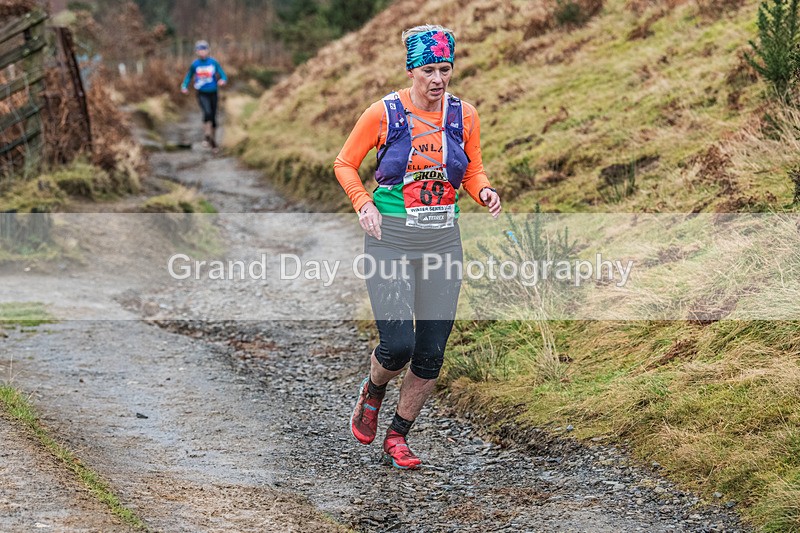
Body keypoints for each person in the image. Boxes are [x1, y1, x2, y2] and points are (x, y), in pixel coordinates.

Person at [334, 24, 502, 470]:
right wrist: (363, 203)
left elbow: (472, 170)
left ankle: (398, 436)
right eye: (429, 69)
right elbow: (345, 163)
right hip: (390, 240)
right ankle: (373, 390)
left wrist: (483, 191)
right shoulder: (383, 113)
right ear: (411, 70)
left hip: (443, 241)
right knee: (398, 346)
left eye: (445, 69)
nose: (438, 79)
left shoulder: (464, 115)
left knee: (431, 352)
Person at [181, 40, 227, 151]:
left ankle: (213, 141)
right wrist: (184, 86)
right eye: (199, 50)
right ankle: (207, 135)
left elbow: (223, 74)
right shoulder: (195, 64)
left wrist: (223, 80)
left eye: (204, 50)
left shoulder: (213, 62)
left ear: (208, 50)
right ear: (196, 52)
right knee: (207, 112)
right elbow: (188, 76)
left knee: (214, 118)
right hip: (202, 93)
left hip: (213, 92)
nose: (202, 52)